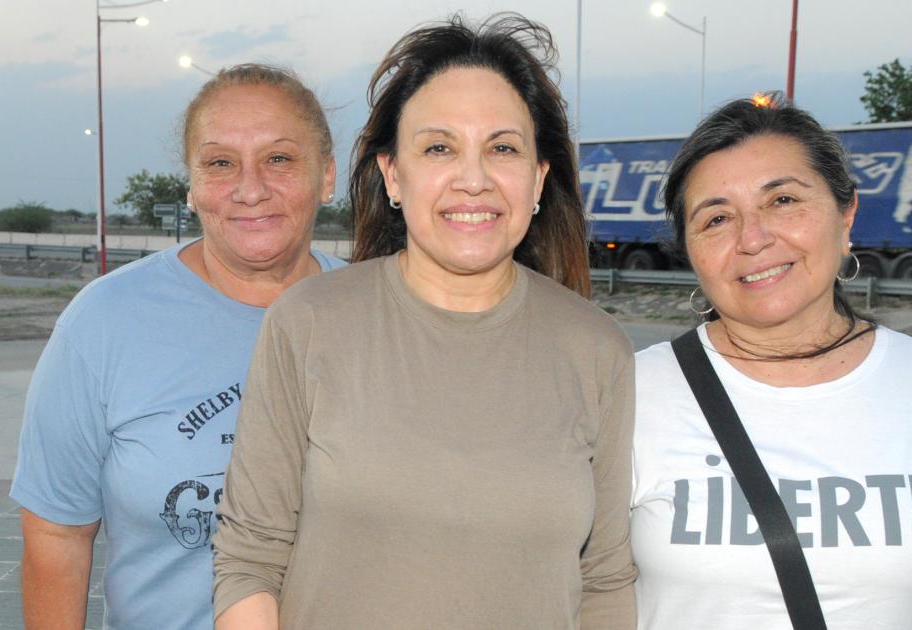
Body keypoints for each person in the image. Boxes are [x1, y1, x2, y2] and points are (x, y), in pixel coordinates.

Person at [212, 14, 637, 630]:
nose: (473, 179)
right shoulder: (307, 324)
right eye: (439, 147)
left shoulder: (598, 349)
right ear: (393, 175)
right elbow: (251, 557)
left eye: (503, 148)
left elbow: (604, 581)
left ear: (539, 178)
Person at [631, 94, 912, 629]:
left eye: (783, 202)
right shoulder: (634, 391)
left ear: (846, 213)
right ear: (688, 250)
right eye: (716, 219)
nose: (752, 238)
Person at [10, 63, 346, 630]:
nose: (250, 188)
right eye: (220, 163)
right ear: (190, 185)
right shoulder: (106, 321)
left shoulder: (373, 314)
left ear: (328, 176)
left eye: (280, 159)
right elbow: (56, 533)